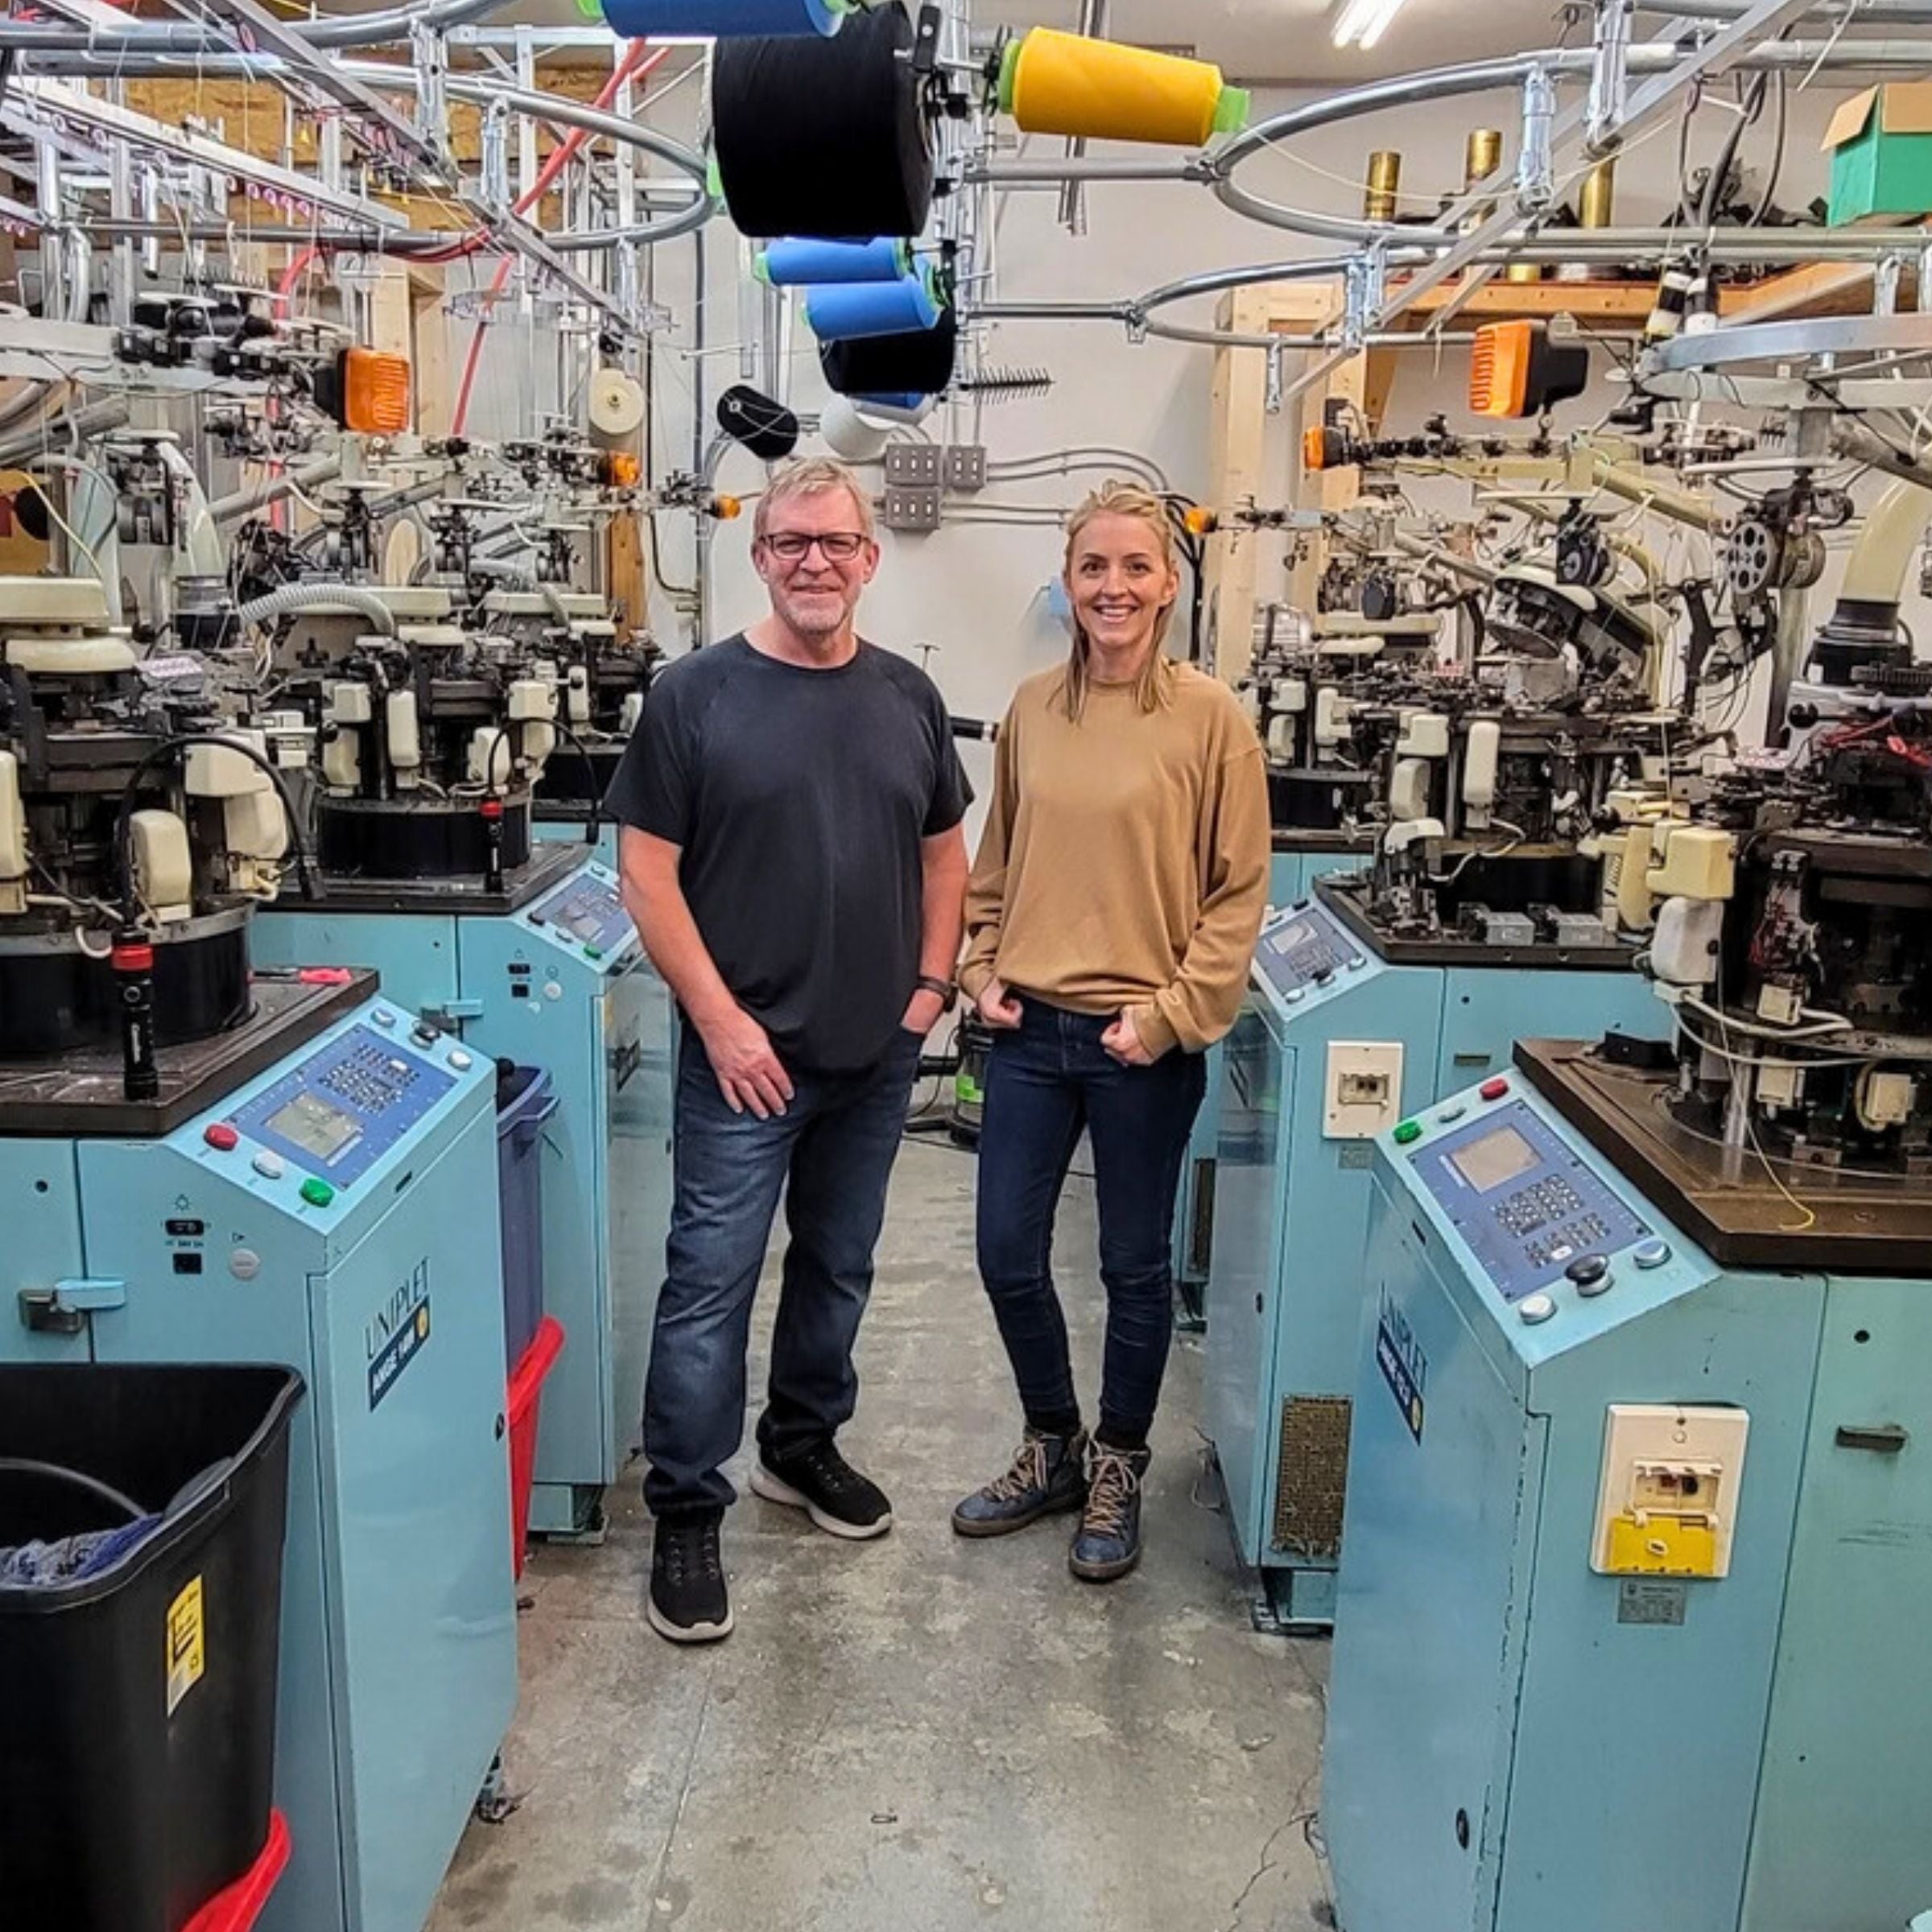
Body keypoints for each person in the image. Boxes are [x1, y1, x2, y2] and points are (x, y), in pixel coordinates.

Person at [607, 457, 970, 1645]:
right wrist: (720, 1022)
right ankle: (685, 1507)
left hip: (875, 1058)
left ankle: (799, 1447)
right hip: (742, 1064)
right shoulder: (695, 696)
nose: (816, 561)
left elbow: (944, 857)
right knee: (709, 1284)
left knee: (839, 1265)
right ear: (760, 557)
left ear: (870, 559)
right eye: (792, 542)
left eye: (837, 542)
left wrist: (929, 991)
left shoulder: (908, 696)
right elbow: (646, 876)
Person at [952, 481, 1269, 1583]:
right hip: (1031, 1034)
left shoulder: (1212, 721)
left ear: (1169, 585)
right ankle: (1054, 1443)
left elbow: (1237, 894)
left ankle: (1119, 1464)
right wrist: (978, 967)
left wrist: (1172, 1017)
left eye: (1136, 567)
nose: (1114, 587)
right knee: (1005, 1252)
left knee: (1133, 1270)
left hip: (1143, 1044)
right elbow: (997, 863)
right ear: (1068, 583)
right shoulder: (1034, 707)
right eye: (1094, 567)